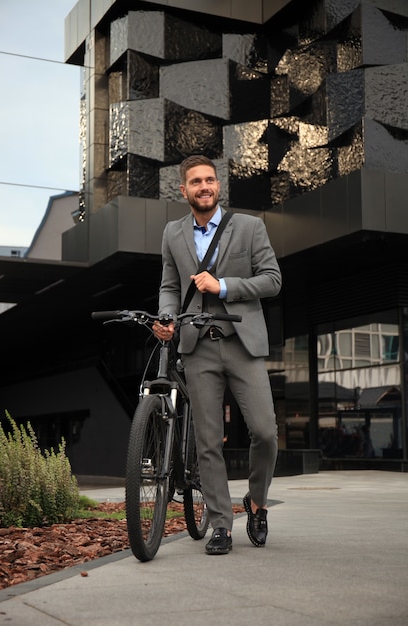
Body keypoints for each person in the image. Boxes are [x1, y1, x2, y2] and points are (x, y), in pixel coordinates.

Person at [153, 155, 281, 555]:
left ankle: (256, 502)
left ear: (218, 185)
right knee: (208, 442)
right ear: (184, 190)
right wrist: (167, 317)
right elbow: (170, 287)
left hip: (243, 343)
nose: (204, 186)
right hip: (197, 346)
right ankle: (221, 526)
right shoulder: (172, 234)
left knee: (265, 432)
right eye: (196, 181)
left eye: (210, 180)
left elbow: (272, 280)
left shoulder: (249, 227)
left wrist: (223, 285)